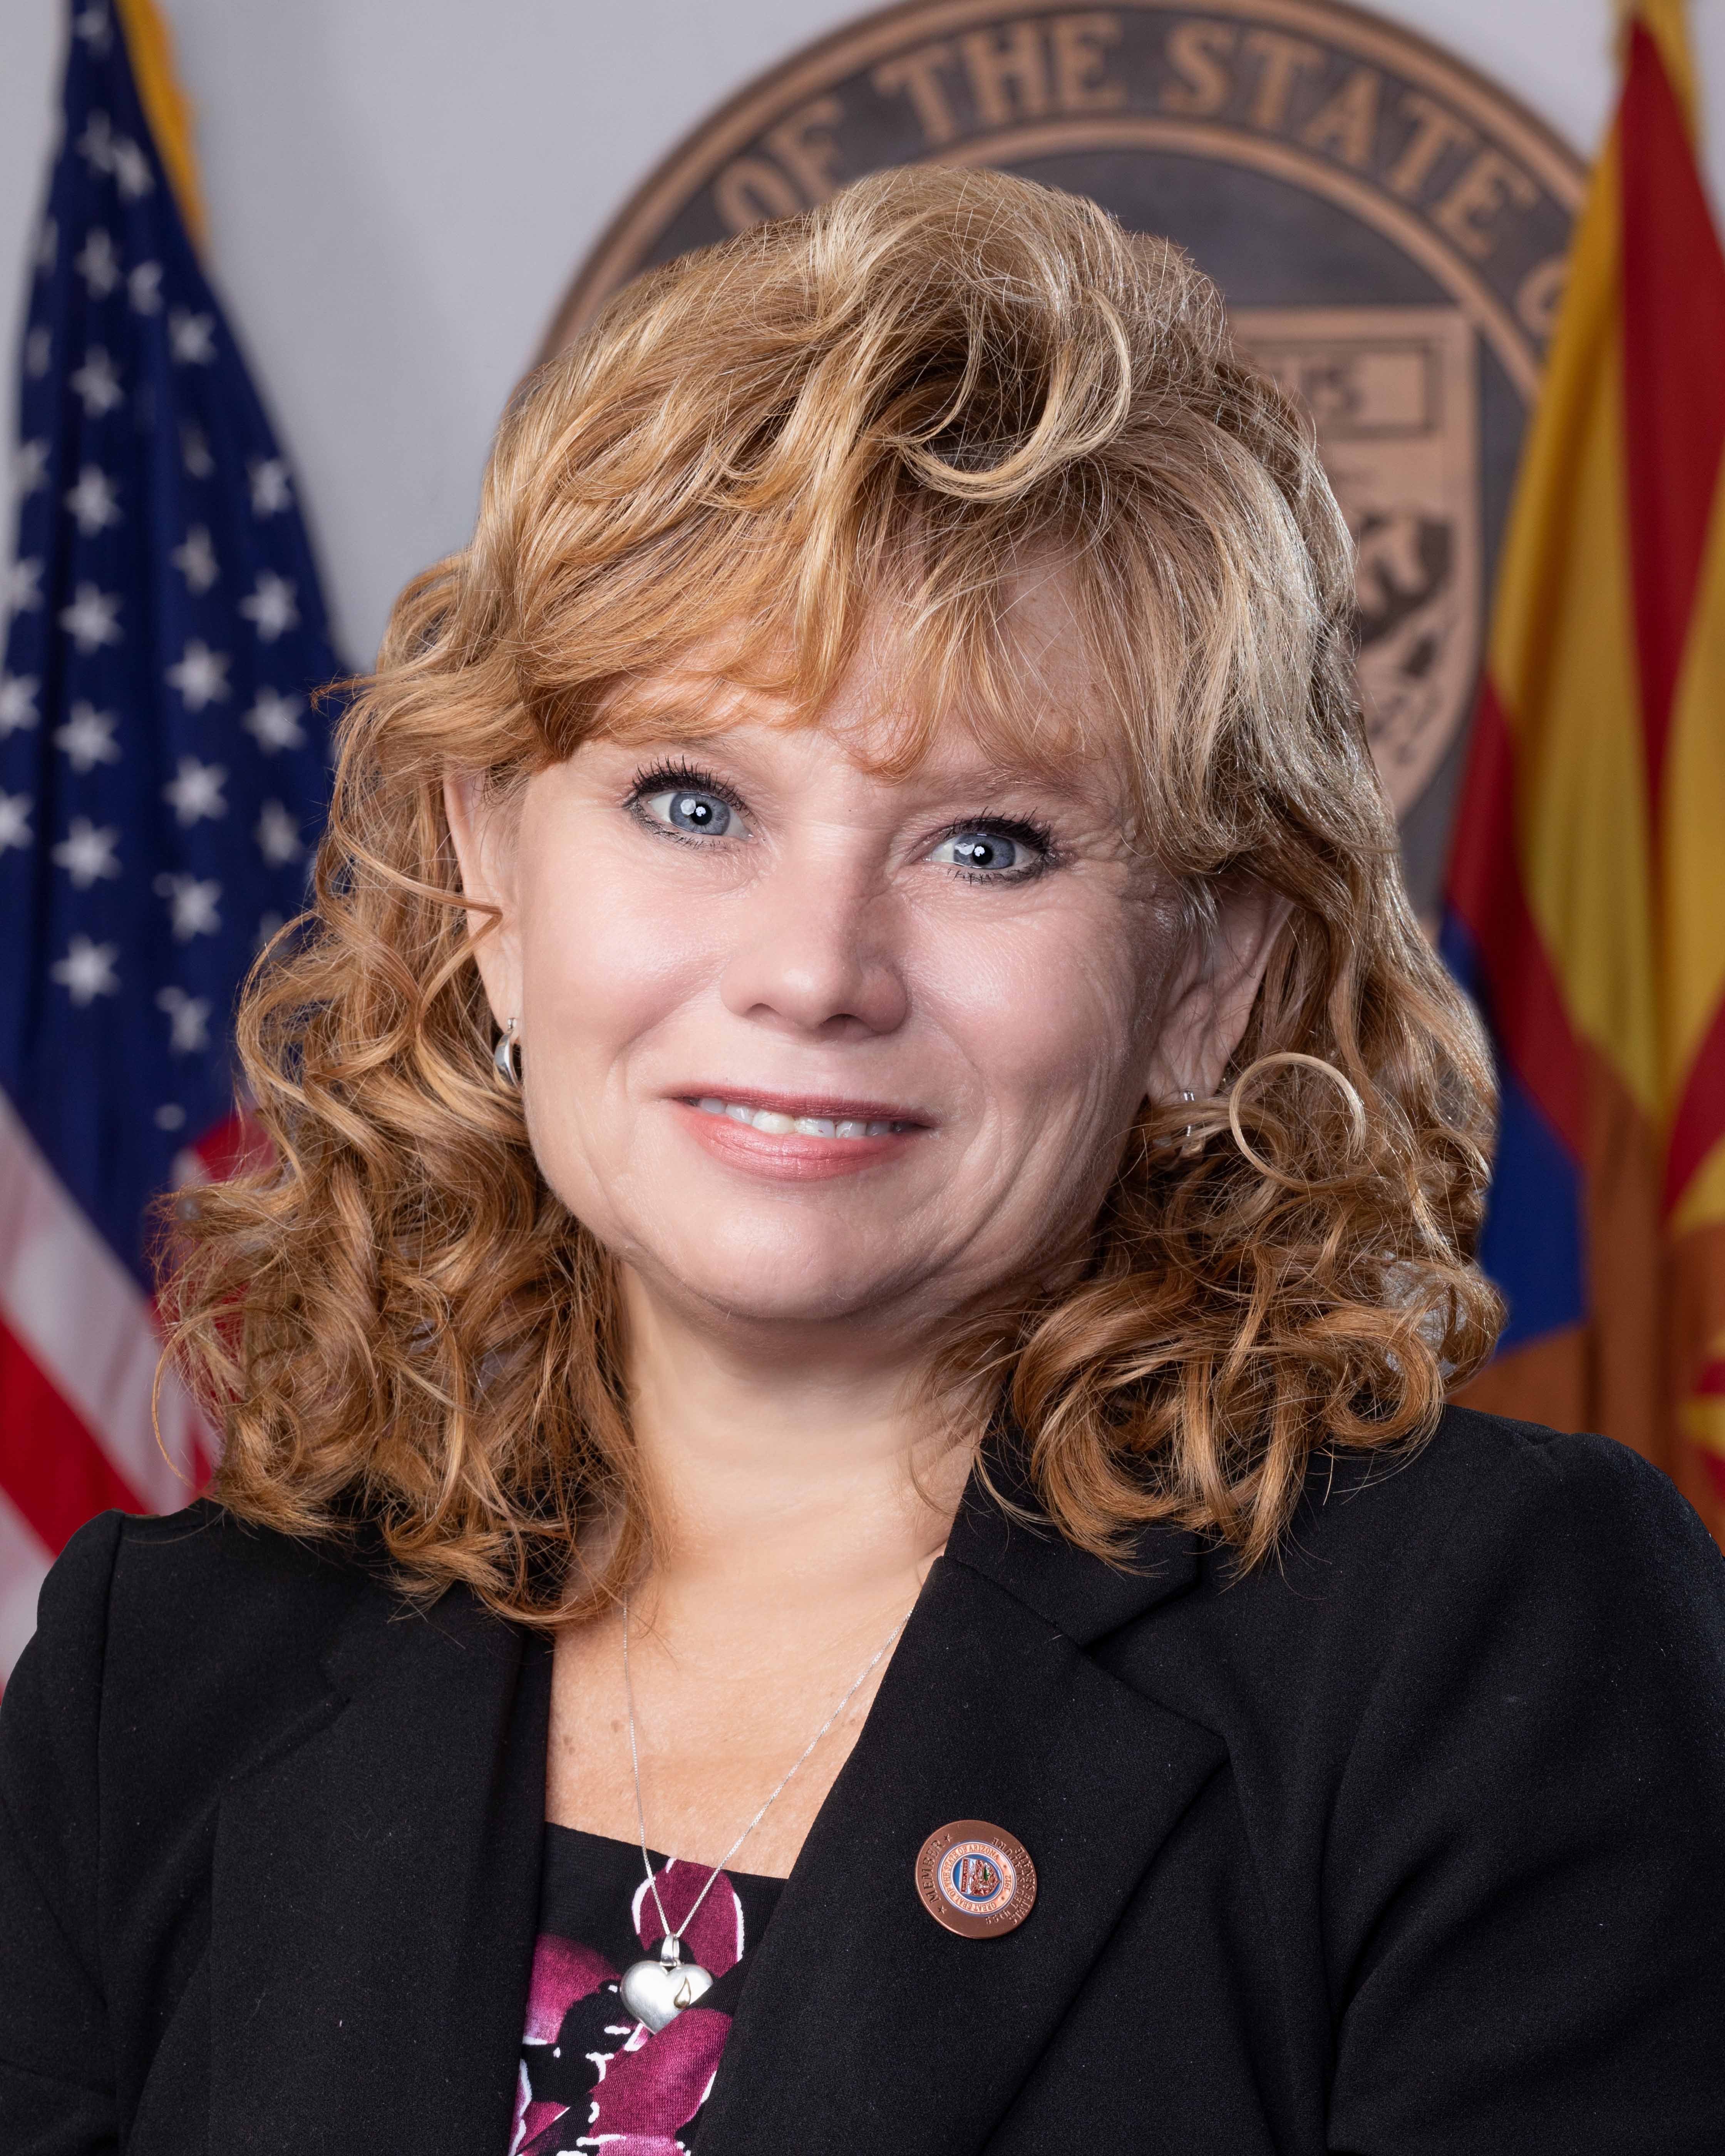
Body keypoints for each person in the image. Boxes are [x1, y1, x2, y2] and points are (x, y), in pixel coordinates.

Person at [3, 166, 1723, 2156]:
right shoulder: (168, 1670)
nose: (816, 972)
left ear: (1206, 979)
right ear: (491, 880)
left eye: (990, 845)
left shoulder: (1493, 1644)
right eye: (692, 802)